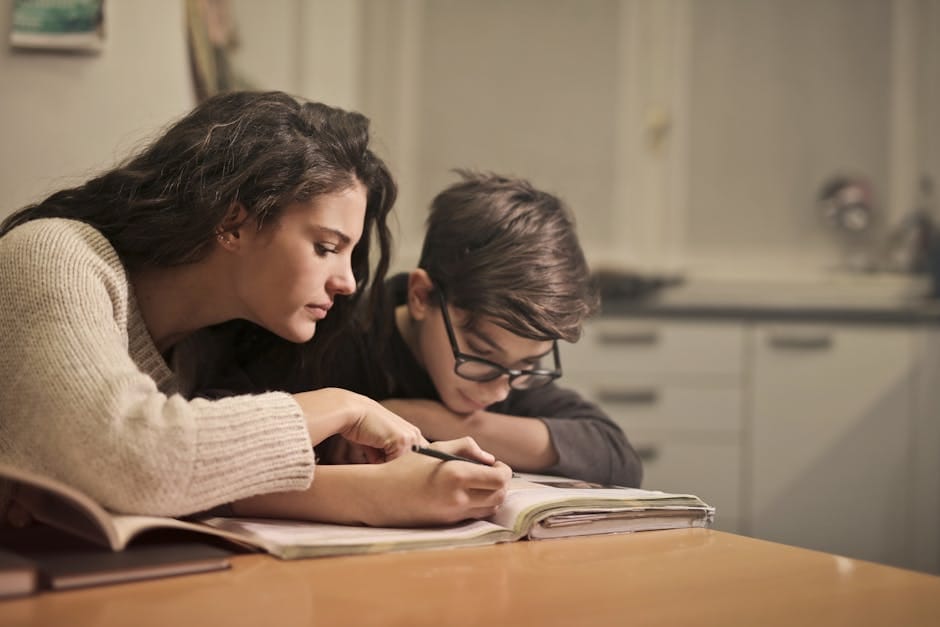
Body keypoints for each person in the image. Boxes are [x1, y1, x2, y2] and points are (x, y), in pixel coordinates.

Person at [0, 92, 510, 527]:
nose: (349, 282)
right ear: (233, 222)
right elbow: (138, 460)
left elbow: (188, 481)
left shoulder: (204, 348)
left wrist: (383, 483)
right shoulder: (55, 255)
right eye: (327, 247)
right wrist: (342, 406)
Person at [238, 170, 643, 487]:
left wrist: (442, 421)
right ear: (421, 296)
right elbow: (224, 434)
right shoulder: (329, 334)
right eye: (481, 353)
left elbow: (615, 455)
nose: (499, 389)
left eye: (528, 365)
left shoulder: (508, 373)